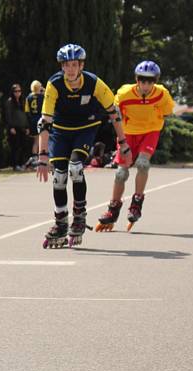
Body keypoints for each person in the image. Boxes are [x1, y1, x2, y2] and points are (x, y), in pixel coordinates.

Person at [35, 43, 130, 248]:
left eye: (74, 65)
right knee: (59, 176)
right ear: (62, 66)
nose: (70, 69)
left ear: (81, 65)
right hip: (60, 130)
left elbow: (114, 113)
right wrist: (42, 157)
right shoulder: (54, 84)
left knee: (76, 168)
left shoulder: (94, 83)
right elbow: (44, 122)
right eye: (67, 65)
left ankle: (79, 216)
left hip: (86, 127)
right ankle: (60, 222)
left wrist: (123, 142)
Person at [96, 60, 175, 231]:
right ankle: (113, 209)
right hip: (128, 133)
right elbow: (114, 113)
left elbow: (168, 111)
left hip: (150, 132)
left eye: (150, 81)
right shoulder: (125, 93)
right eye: (142, 80)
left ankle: (137, 203)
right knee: (121, 173)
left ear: (155, 81)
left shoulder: (162, 94)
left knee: (142, 163)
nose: (146, 85)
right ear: (136, 80)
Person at [4, 83, 31, 171]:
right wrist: (11, 127)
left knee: (24, 146)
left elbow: (25, 115)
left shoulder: (23, 101)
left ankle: (22, 164)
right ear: (12, 92)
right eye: (16, 91)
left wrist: (27, 127)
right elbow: (8, 115)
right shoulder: (10, 102)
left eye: (19, 91)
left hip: (22, 127)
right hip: (14, 128)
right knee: (16, 147)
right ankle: (15, 165)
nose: (18, 93)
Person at [23, 80, 45, 169]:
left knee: (36, 140)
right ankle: (40, 159)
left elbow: (27, 111)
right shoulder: (42, 97)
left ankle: (35, 158)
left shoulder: (28, 97)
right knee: (41, 140)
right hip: (40, 119)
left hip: (32, 120)